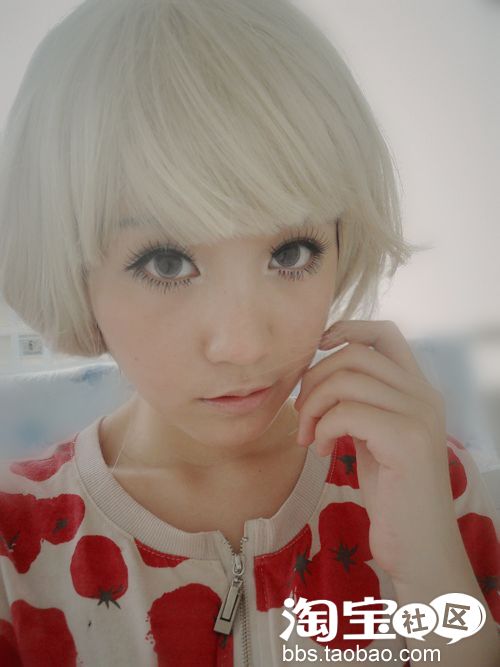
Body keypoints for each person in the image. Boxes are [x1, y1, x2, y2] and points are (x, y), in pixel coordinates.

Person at [0, 0, 498, 665]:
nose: (245, 346)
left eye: (291, 252)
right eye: (166, 263)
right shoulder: (15, 544)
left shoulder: (429, 480)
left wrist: (430, 573)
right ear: (76, 270)